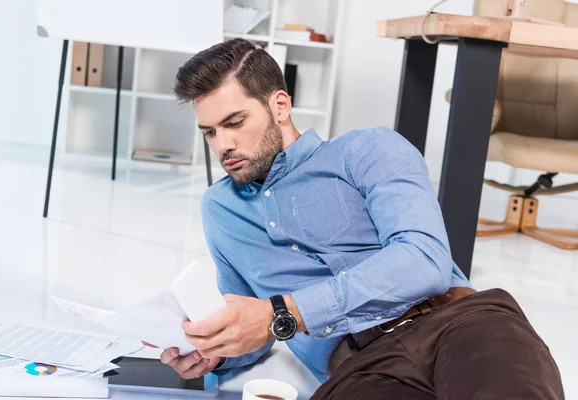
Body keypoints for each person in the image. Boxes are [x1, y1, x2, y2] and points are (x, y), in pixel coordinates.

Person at [153, 38, 564, 399]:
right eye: (209, 132)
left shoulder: (367, 150)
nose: (223, 144)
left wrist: (285, 311)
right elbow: (253, 328)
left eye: (235, 123)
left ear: (279, 105)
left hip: (455, 323)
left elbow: (425, 260)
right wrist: (217, 351)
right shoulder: (220, 210)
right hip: (358, 369)